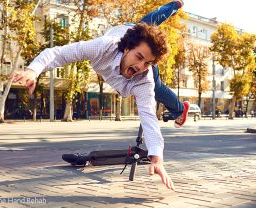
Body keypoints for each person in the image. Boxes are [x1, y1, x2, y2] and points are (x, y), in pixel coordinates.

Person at [11, 0, 187, 191]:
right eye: (139, 58)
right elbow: (58, 54)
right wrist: (32, 71)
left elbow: (149, 117)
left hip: (135, 32)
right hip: (125, 32)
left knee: (157, 86)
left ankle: (173, 7)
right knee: (145, 25)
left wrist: (157, 157)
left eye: (147, 63)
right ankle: (170, 8)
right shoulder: (103, 47)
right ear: (126, 49)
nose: (139, 67)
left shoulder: (145, 77)